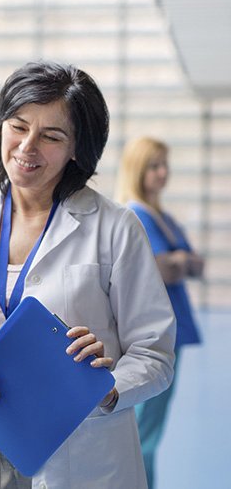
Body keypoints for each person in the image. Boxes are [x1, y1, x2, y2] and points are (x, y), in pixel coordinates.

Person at [0, 61, 176, 488]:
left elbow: (154, 353)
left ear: (78, 149)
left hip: (78, 450)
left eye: (51, 136)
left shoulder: (115, 227)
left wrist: (109, 388)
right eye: (18, 126)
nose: (28, 147)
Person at [116, 135, 204, 489]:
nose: (162, 173)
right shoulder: (135, 215)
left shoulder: (162, 217)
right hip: (153, 336)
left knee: (151, 428)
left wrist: (178, 262)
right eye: (154, 165)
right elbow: (156, 269)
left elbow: (192, 264)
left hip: (173, 332)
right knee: (143, 433)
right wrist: (177, 262)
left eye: (165, 165)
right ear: (138, 169)